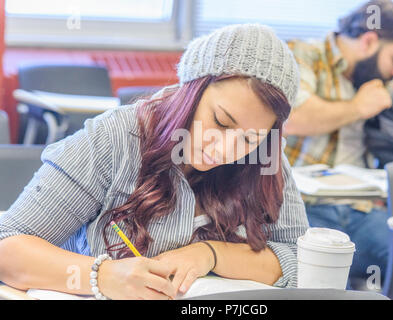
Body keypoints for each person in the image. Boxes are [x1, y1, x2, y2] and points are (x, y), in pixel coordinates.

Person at [0, 24, 309, 300]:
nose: (226, 149)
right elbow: (7, 249)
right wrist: (103, 277)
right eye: (221, 121)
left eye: (249, 139)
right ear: (191, 89)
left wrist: (210, 254)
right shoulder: (115, 138)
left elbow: (301, 260)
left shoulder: (266, 159)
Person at [283, 0, 393, 290]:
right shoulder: (303, 54)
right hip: (306, 207)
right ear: (369, 41)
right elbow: (292, 117)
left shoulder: (375, 76)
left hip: (364, 210)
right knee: (324, 281)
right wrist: (358, 107)